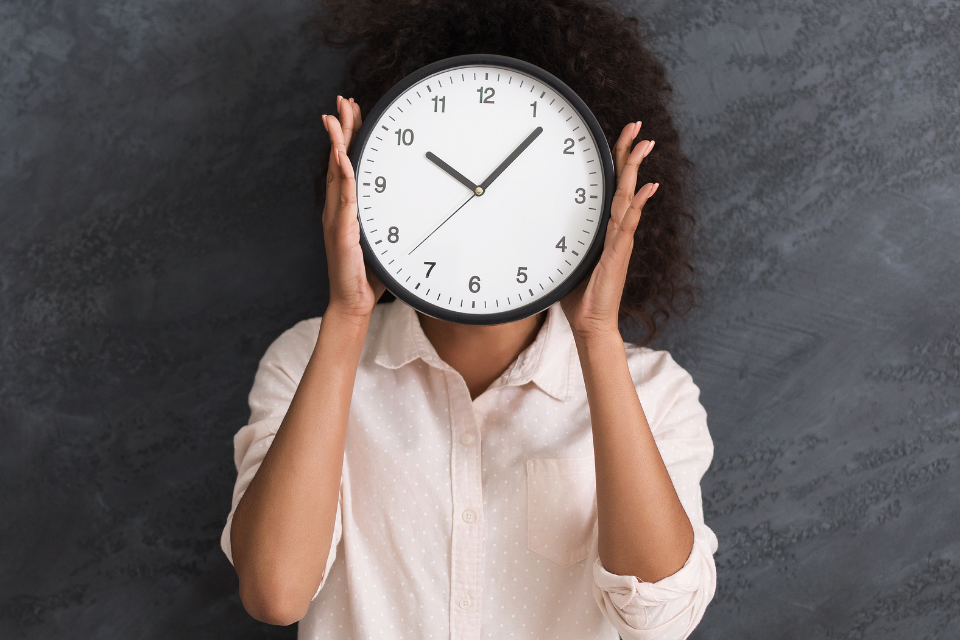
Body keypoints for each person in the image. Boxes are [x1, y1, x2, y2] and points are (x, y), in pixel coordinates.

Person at [221, 1, 717, 638]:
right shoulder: (306, 361)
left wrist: (596, 336)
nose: (484, 201)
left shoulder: (656, 394)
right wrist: (347, 317)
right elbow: (274, 592)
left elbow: (661, 620)